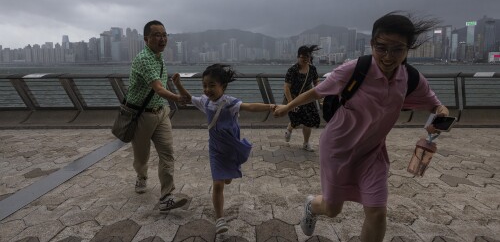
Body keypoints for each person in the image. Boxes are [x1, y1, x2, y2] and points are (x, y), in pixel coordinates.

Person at [274, 12, 449, 241]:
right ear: (371, 44)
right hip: (337, 149)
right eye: (381, 48)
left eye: (397, 49)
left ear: (408, 49)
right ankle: (312, 205)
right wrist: (287, 107)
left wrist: (441, 114)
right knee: (332, 209)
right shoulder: (354, 69)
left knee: (377, 212)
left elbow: (436, 105)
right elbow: (317, 91)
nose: (388, 56)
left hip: (372, 154)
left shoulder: (411, 78)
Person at [179, 63, 276, 234]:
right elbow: (188, 99)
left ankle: (228, 174)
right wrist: (178, 84)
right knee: (218, 184)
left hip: (231, 148)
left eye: (211, 85)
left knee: (227, 179)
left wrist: (270, 106)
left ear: (222, 86)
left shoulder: (230, 103)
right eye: (204, 85)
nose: (207, 89)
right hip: (215, 150)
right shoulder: (205, 102)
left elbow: (250, 107)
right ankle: (220, 219)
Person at [124, 20, 190, 213]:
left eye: (164, 34)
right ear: (146, 39)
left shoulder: (159, 57)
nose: (162, 39)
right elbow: (159, 88)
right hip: (142, 116)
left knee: (167, 153)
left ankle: (166, 197)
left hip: (160, 113)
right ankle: (141, 176)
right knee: (141, 157)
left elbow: (160, 89)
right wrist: (177, 98)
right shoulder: (144, 58)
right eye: (157, 35)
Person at [283, 45, 321, 151]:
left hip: (307, 98)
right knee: (296, 120)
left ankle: (306, 143)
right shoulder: (292, 70)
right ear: (298, 57)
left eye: (307, 57)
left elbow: (316, 81)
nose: (305, 59)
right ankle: (289, 130)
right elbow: (286, 87)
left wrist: (320, 91)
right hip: (293, 98)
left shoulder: (312, 69)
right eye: (302, 57)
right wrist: (290, 102)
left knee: (309, 120)